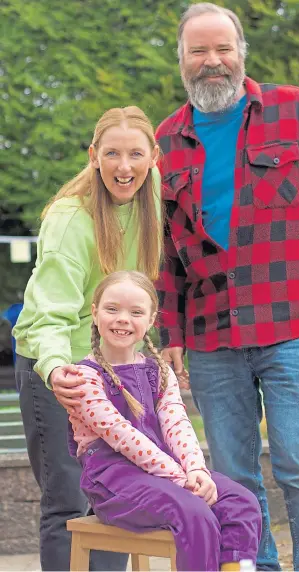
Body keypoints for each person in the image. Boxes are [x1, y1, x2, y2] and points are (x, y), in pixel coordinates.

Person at [155, 3, 299, 571]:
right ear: (182, 61)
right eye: (199, 51)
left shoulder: (294, 110)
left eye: (222, 49)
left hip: (292, 326)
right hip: (211, 335)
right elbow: (164, 251)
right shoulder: (166, 140)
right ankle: (254, 566)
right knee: (231, 475)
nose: (212, 61)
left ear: (241, 54)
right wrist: (170, 333)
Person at [12, 106, 162, 571]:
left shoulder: (151, 197)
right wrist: (59, 371)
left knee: (114, 497)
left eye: (135, 154)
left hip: (114, 368)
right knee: (70, 503)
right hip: (58, 366)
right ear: (94, 156)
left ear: (154, 158)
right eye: (112, 154)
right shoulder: (70, 220)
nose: (124, 167)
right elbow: (48, 313)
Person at [68, 270, 261, 571]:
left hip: (166, 473)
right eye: (112, 309)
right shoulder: (83, 378)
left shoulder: (158, 371)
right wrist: (181, 480)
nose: (123, 319)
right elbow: (122, 436)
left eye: (135, 312)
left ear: (151, 319)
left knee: (242, 502)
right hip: (113, 483)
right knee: (193, 511)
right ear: (95, 313)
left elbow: (177, 424)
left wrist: (196, 470)